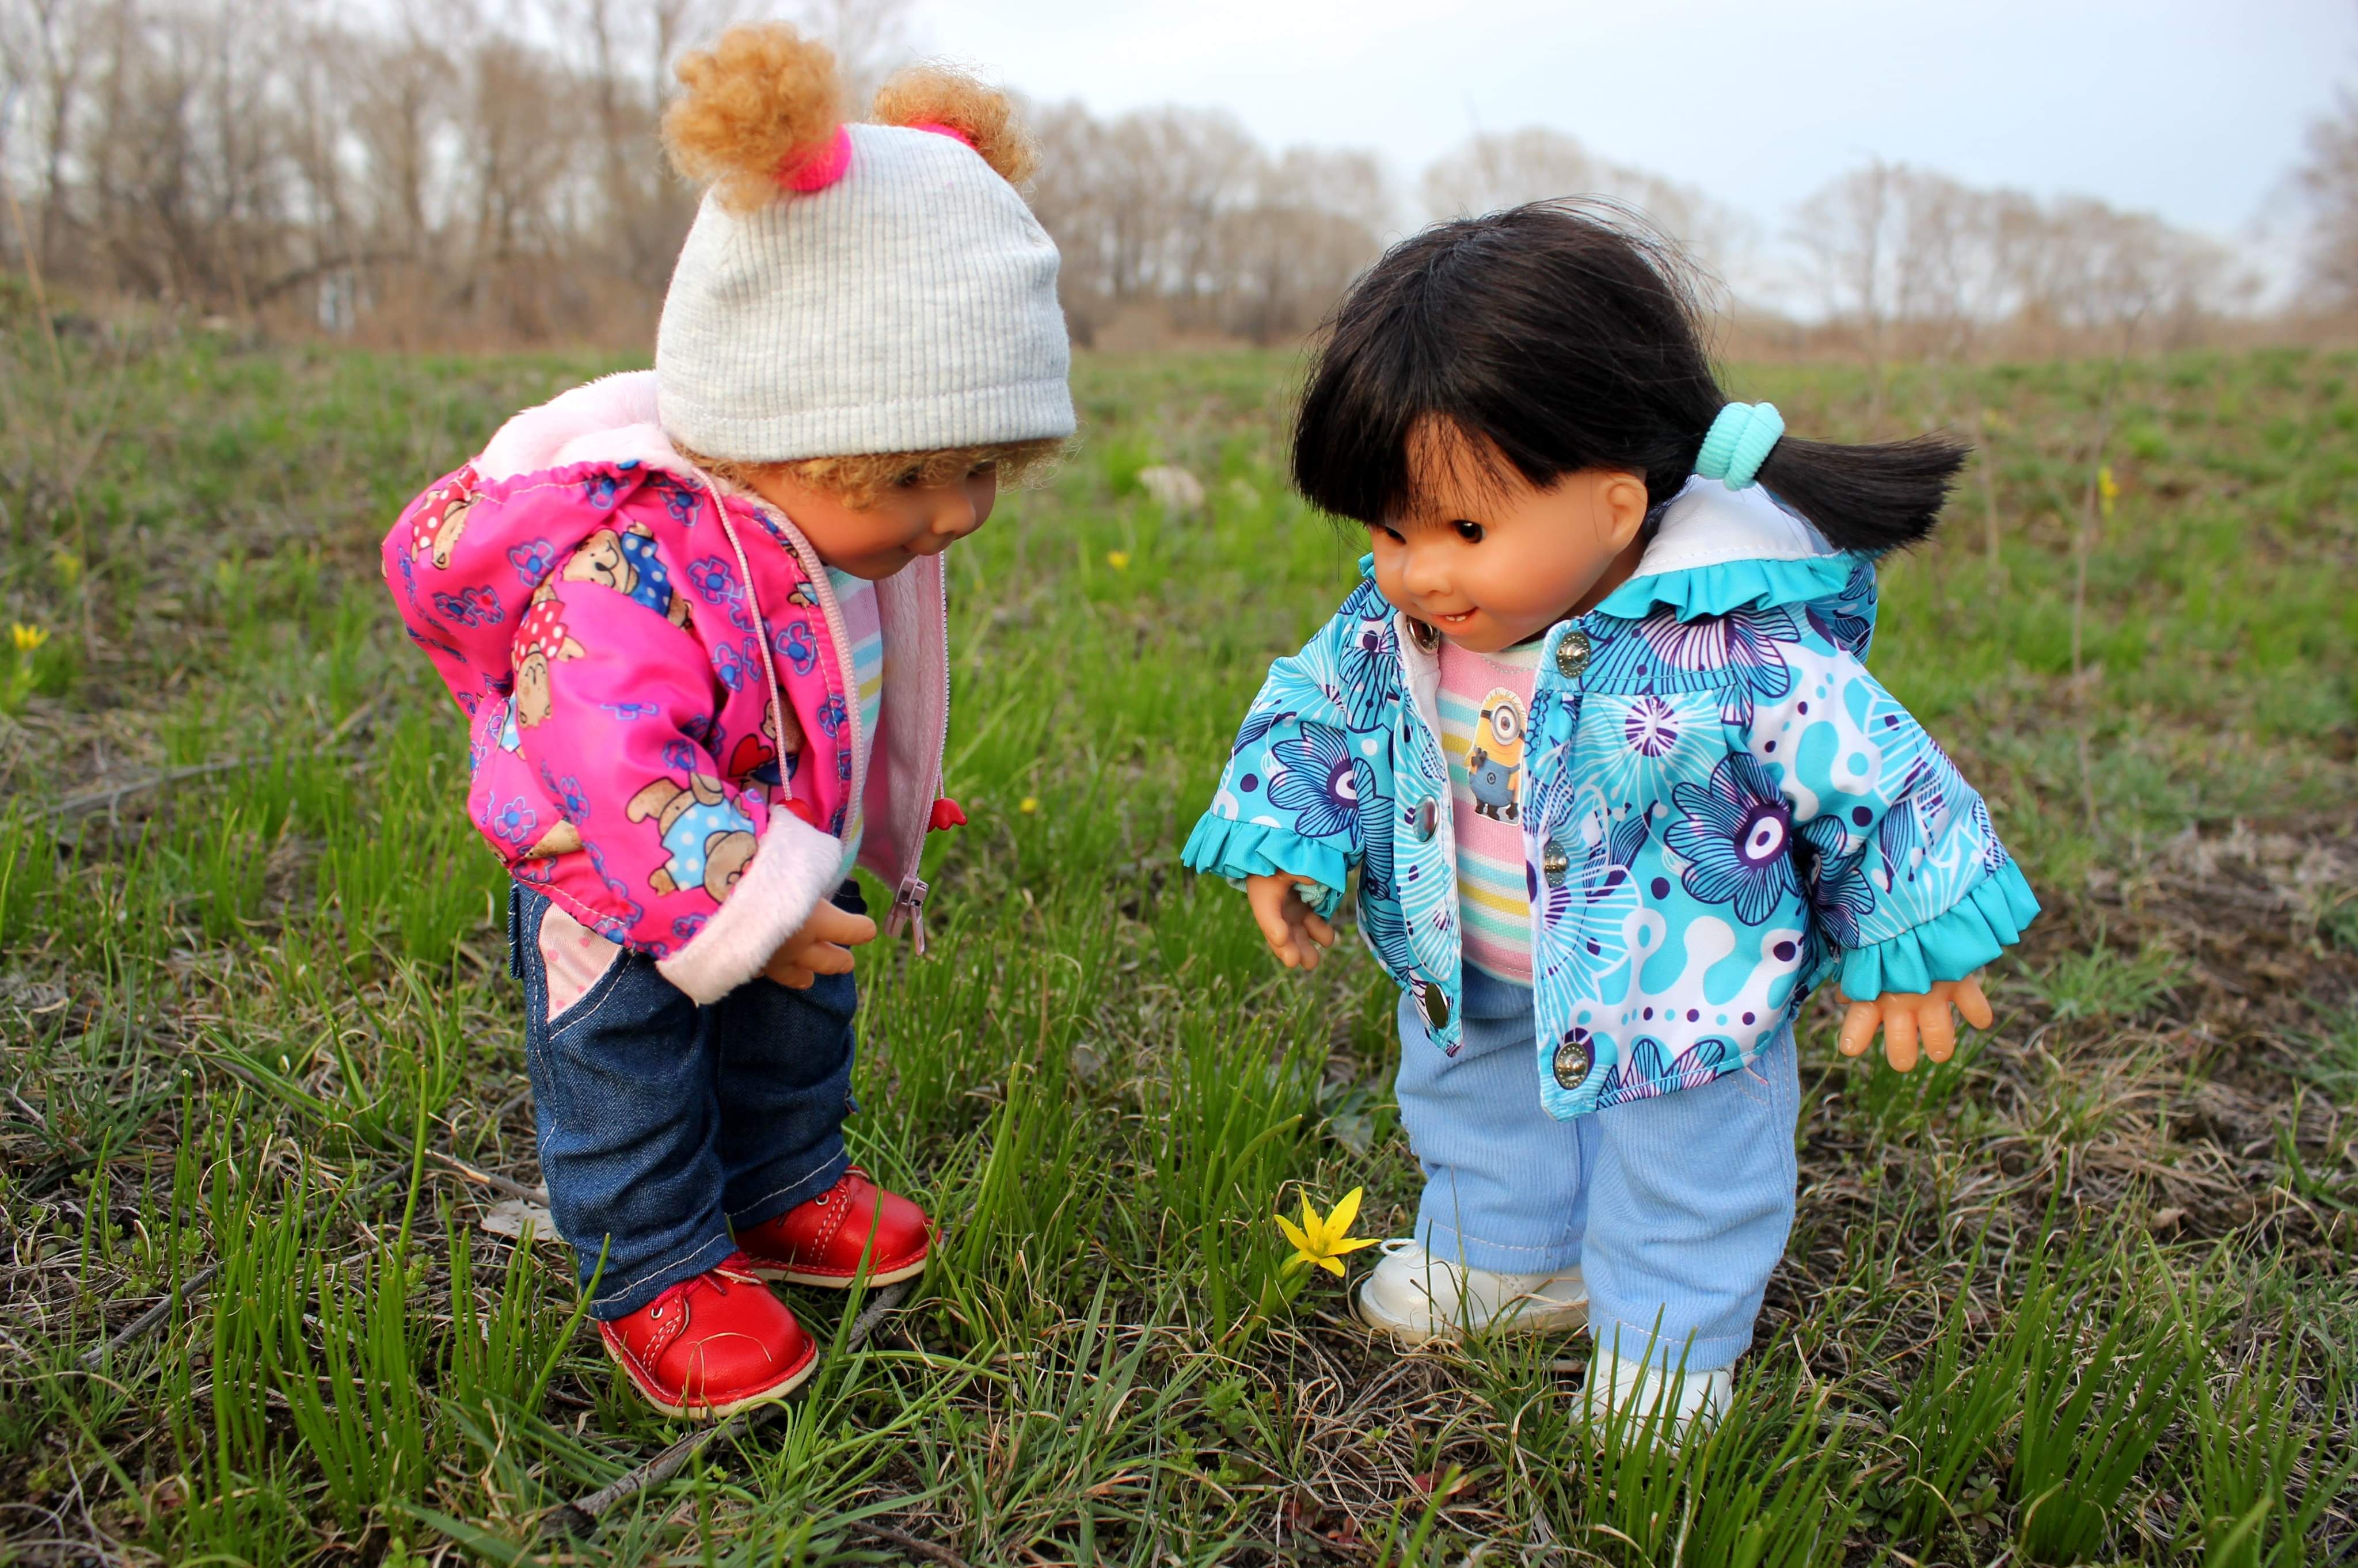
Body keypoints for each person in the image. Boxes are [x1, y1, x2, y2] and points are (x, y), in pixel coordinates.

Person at [1182, 202, 2039, 1443]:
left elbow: (1867, 767)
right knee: (1469, 1096)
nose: (1419, 571)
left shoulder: (1726, 647)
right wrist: (1287, 835)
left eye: (1464, 530)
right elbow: (1319, 708)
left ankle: (1668, 1343)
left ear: (1617, 501)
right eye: (1387, 530)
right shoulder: (1399, 627)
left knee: (1683, 1155)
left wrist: (1917, 930)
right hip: (1467, 948)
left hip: (1675, 981)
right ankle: (1507, 1249)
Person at [382, 24, 1072, 1420]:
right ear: (768, 421)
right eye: (911, 477)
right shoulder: (625, 560)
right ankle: (651, 1258)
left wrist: (845, 819)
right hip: (617, 879)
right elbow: (610, 759)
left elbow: (831, 679)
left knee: (793, 1031)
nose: (950, 515)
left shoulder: (830, 534)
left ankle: (778, 1184)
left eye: (983, 469)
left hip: (775, 850)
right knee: (627, 1059)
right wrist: (741, 895)